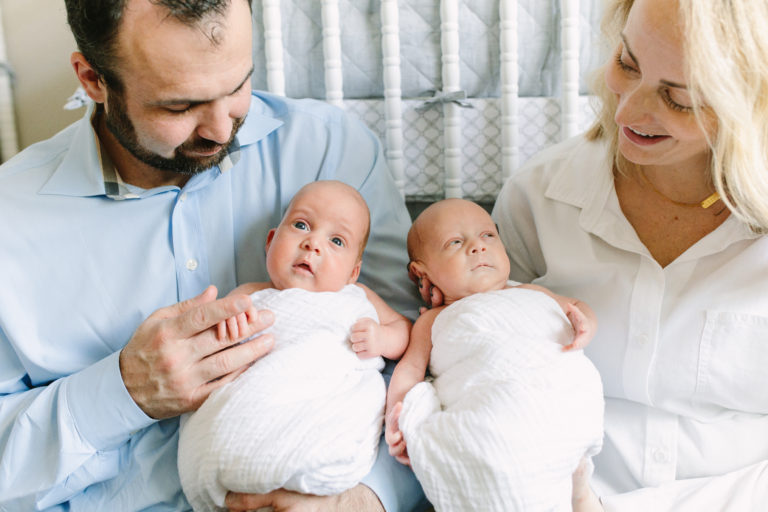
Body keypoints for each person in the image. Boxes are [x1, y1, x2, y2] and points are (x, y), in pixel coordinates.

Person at [0, 1, 428, 510]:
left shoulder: (331, 150)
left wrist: (361, 499)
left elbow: (428, 357)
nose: (223, 132)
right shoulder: (11, 219)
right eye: (180, 107)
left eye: (238, 86)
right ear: (92, 79)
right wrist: (122, 392)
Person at [490, 0, 768, 509]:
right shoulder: (540, 198)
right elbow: (483, 380)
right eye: (627, 63)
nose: (627, 112)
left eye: (678, 99)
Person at [178, 180, 411, 511]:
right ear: (271, 242)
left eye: (336, 241)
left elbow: (405, 329)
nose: (313, 243)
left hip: (321, 416)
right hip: (250, 414)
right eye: (301, 225)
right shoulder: (249, 294)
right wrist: (229, 327)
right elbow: (213, 347)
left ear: (352, 273)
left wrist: (382, 338)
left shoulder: (357, 298)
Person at [386, 198, 604, 512]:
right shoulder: (432, 320)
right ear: (422, 273)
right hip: (494, 413)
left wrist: (586, 325)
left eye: (488, 236)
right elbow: (410, 370)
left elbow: (577, 308)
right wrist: (398, 417)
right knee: (489, 450)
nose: (478, 247)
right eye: (455, 242)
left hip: (560, 397)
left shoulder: (531, 292)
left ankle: (576, 486)